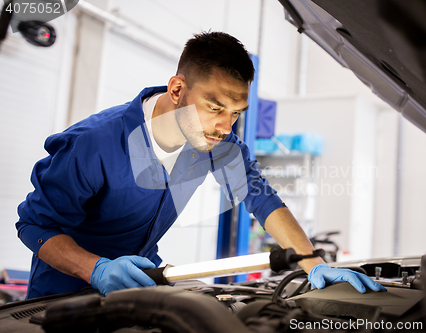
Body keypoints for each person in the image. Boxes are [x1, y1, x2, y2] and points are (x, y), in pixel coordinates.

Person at [16, 31, 386, 299]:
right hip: (61, 293)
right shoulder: (95, 143)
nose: (225, 127)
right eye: (214, 108)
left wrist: (313, 262)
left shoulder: (215, 144)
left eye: (236, 113)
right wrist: (95, 269)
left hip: (143, 281)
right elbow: (35, 225)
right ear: (177, 90)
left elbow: (261, 198)